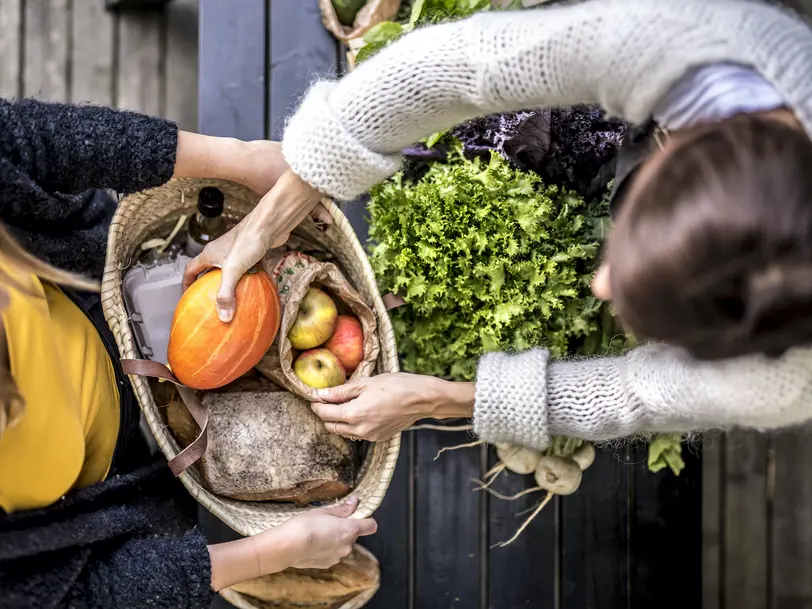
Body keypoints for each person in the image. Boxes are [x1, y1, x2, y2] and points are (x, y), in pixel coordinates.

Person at [184, 0, 812, 452]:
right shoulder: (695, 39)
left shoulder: (786, 381)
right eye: (626, 244)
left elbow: (637, 393)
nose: (601, 285)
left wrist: (440, 398)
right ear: (681, 148)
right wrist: (266, 222)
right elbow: (454, 68)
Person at [0, 98, 376, 609]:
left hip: (93, 293)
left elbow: (26, 141)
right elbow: (78, 595)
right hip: (113, 482)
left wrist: (239, 157)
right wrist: (268, 555)